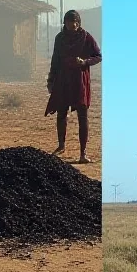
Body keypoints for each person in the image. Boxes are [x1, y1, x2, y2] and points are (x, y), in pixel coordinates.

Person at [45, 9, 102, 164]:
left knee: (82, 115)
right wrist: (51, 80)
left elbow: (98, 56)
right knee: (61, 113)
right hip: (63, 80)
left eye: (76, 22)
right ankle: (61, 145)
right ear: (65, 23)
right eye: (70, 22)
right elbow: (55, 60)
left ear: (79, 22)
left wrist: (85, 62)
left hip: (80, 81)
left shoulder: (86, 37)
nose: (73, 25)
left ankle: (83, 153)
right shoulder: (60, 38)